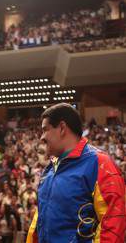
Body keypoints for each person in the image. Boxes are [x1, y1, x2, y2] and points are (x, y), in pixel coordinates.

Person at [27, 103, 125, 243]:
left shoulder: (99, 163)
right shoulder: (50, 168)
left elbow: (114, 223)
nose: (42, 137)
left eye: (45, 130)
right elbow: (40, 219)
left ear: (61, 128)